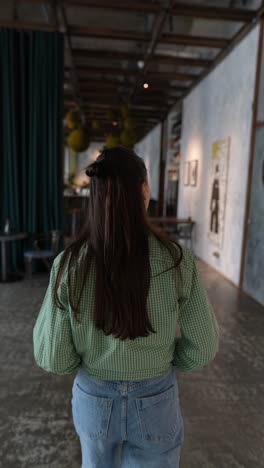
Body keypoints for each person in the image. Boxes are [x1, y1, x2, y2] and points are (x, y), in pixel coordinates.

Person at [33, 146, 219, 468]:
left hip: (94, 398)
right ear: (144, 191)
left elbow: (53, 357)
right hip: (157, 399)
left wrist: (89, 356)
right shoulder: (177, 261)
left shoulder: (69, 265)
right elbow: (203, 346)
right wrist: (165, 356)